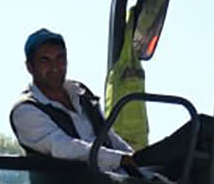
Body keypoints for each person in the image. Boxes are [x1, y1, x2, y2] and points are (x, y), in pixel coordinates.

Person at [10, 29, 136, 170]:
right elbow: (65, 149)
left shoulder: (81, 94)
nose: (55, 67)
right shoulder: (25, 111)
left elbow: (109, 137)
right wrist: (122, 159)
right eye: (45, 61)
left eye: (60, 58)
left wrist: (139, 160)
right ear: (30, 67)